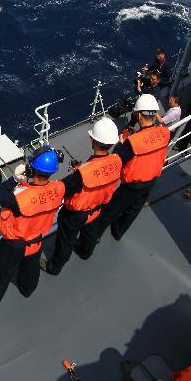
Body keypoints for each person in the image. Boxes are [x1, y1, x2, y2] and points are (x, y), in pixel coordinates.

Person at [0, 146, 64, 310]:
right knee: (31, 267)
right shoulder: (59, 188)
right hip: (36, 241)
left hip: (14, 245)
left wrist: (14, 179)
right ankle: (27, 289)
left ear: (31, 169)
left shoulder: (20, 198)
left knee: (3, 275)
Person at [81, 94, 170, 253]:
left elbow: (118, 159)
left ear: (139, 115)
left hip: (132, 185)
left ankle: (95, 238)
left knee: (109, 211)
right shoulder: (165, 133)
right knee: (133, 210)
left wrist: (120, 144)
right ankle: (118, 232)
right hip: (152, 180)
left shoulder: (133, 141)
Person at [41, 117, 121, 275]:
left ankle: (54, 267)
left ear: (94, 141)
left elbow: (63, 189)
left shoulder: (82, 174)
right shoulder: (117, 161)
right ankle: (85, 252)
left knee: (65, 241)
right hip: (97, 208)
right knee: (90, 233)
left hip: (75, 214)